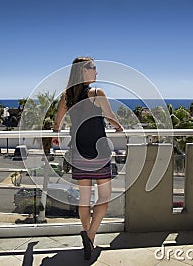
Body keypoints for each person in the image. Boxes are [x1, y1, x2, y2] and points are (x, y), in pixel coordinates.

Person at [52, 57, 123, 260]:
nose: (96, 72)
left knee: (84, 199)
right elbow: (109, 116)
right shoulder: (96, 93)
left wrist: (55, 136)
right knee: (104, 198)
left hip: (79, 152)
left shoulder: (67, 96)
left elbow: (57, 123)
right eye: (93, 68)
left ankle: (88, 240)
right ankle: (90, 235)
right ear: (83, 71)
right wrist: (119, 127)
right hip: (99, 152)